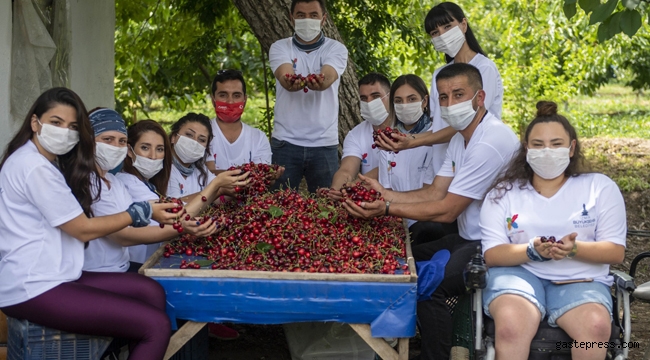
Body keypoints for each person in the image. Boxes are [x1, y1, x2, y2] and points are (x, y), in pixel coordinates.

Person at [342, 63, 519, 360]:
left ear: (480, 98)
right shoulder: (461, 138)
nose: (451, 104)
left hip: (494, 245)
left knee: (424, 283)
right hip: (468, 237)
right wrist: (386, 193)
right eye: (444, 97)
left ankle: (439, 354)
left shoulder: (490, 140)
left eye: (459, 94)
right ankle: (393, 344)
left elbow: (447, 210)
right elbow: (435, 191)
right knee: (400, 263)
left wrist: (385, 207)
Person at [0, 87, 180, 360]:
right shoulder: (34, 167)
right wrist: (138, 213)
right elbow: (82, 229)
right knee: (155, 326)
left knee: (149, 290)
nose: (64, 131)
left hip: (57, 276)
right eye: (55, 123)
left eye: (72, 126)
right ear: (35, 123)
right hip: (34, 286)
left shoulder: (46, 165)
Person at [480, 101, 626, 360]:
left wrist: (575, 250)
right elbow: (492, 255)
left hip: (581, 281)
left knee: (595, 327)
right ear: (526, 149)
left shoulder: (599, 188)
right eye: (538, 145)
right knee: (512, 325)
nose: (547, 151)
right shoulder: (503, 194)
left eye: (556, 144)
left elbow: (615, 252)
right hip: (517, 276)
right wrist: (531, 251)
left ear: (571, 148)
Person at [375, 2, 503, 178]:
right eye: (435, 33)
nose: (442, 35)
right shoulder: (439, 75)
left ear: (463, 25)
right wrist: (402, 137)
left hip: (476, 160)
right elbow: (439, 126)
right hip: (443, 165)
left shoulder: (484, 69)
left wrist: (413, 141)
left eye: (447, 27)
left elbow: (468, 122)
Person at [269, 0, 348, 193]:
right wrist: (290, 81)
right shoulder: (280, 47)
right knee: (278, 208)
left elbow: (327, 77)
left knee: (326, 209)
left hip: (324, 142)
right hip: (285, 142)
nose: (307, 20)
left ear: (323, 19)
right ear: (291, 18)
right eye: (301, 15)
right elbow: (285, 76)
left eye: (313, 15)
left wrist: (320, 81)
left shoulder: (336, 49)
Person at [377, 74, 435, 229]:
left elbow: (432, 191)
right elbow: (386, 189)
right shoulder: (388, 141)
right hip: (397, 220)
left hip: (429, 222)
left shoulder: (436, 137)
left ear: (425, 102)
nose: (405, 105)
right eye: (398, 101)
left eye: (411, 99)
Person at [327, 73, 390, 199]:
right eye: (364, 98)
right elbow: (346, 170)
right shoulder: (356, 135)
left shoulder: (406, 129)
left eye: (376, 96)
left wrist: (353, 186)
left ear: (390, 96)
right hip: (370, 201)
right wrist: (337, 190)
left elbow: (391, 165)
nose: (369, 103)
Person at [205, 69, 278, 175]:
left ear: (245, 100)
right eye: (223, 95)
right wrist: (247, 174)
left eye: (236, 96)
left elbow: (263, 178)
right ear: (213, 100)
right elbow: (201, 178)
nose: (230, 101)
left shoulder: (258, 138)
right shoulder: (202, 134)